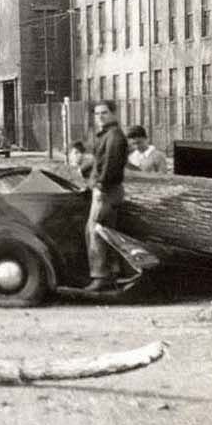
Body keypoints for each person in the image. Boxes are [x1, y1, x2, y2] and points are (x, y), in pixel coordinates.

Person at [85, 101, 128, 293]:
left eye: (104, 113)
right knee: (106, 232)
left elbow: (111, 164)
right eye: (97, 114)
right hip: (108, 189)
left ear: (113, 114)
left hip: (107, 191)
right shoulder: (107, 136)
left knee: (95, 231)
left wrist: (101, 186)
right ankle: (112, 272)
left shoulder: (114, 136)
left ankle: (100, 276)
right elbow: (99, 161)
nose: (100, 117)